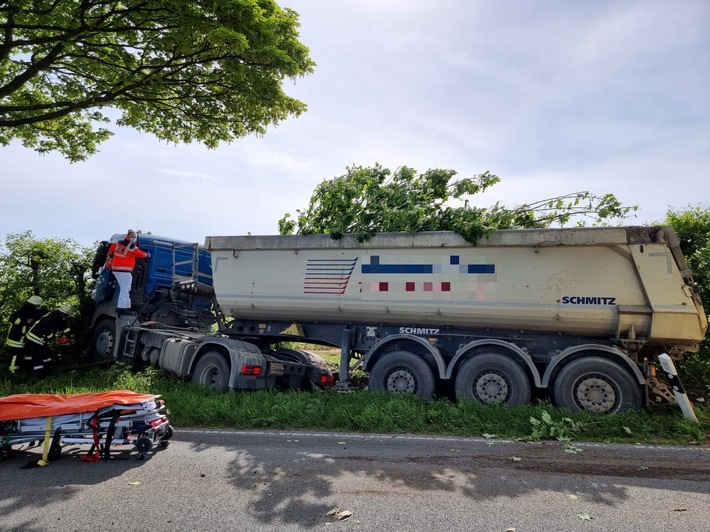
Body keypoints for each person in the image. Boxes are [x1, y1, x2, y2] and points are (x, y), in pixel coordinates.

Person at [25, 303, 74, 379]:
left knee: (46, 355)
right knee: (37, 356)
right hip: (34, 337)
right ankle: (40, 376)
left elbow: (64, 326)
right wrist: (55, 339)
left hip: (40, 338)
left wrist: (71, 336)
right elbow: (46, 329)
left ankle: (47, 372)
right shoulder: (53, 316)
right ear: (65, 314)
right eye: (67, 315)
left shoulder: (58, 316)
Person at [106, 229, 148, 314]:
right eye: (133, 237)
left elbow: (111, 249)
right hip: (124, 270)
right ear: (128, 236)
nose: (134, 238)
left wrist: (110, 255)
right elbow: (140, 254)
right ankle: (121, 307)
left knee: (126, 288)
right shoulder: (131, 246)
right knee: (125, 289)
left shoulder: (118, 243)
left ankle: (127, 307)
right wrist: (147, 254)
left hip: (116, 269)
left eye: (135, 237)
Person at [6, 295, 45, 376]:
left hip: (23, 338)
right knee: (16, 355)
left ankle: (27, 369)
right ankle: (12, 373)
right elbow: (12, 318)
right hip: (15, 338)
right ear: (34, 304)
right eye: (38, 306)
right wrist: (25, 321)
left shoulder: (33, 312)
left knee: (28, 353)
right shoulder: (23, 311)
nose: (38, 307)